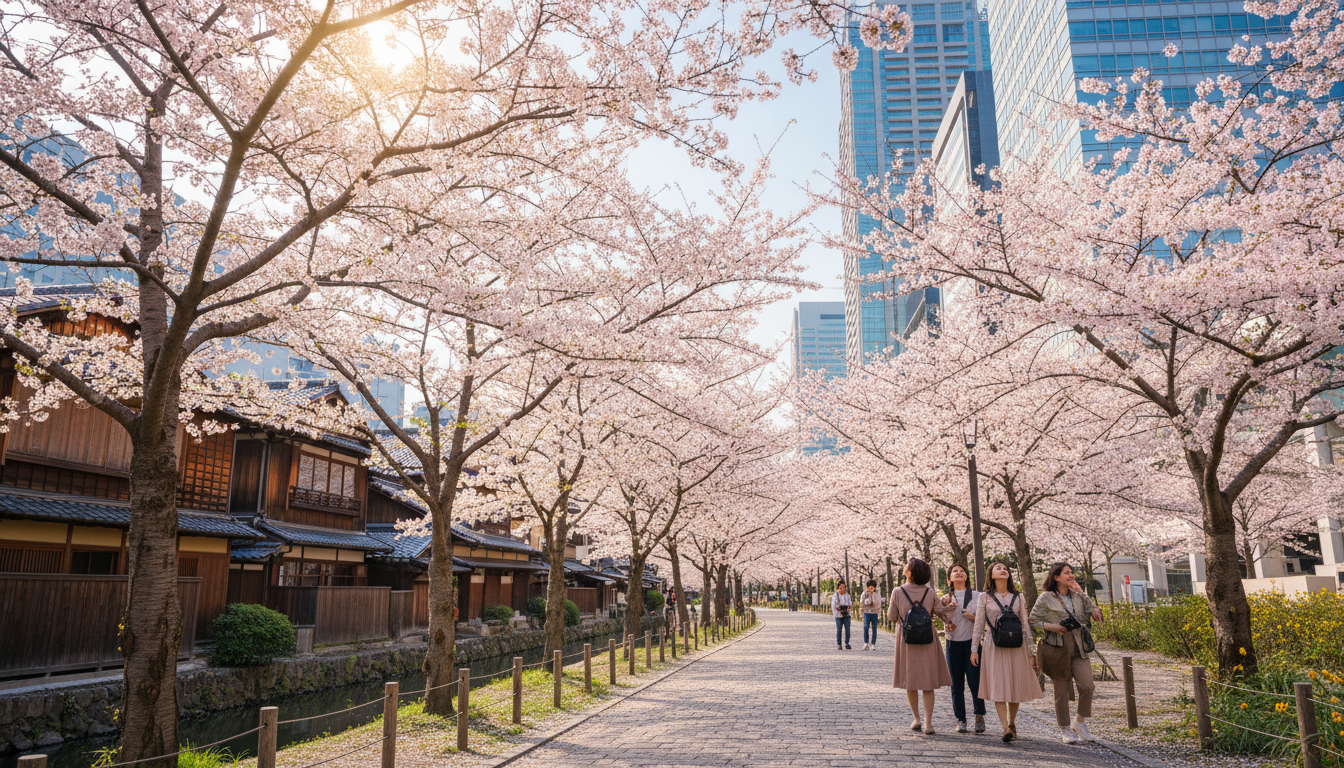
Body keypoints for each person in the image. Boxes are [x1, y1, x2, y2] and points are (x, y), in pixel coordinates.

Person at [1029, 562, 1104, 744]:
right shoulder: (1046, 597)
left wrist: (1085, 597)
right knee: (1061, 691)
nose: (1071, 575)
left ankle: (1080, 722)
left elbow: (1091, 610)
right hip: (1056, 647)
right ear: (1056, 577)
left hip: (1079, 645)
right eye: (1067, 573)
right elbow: (1032, 620)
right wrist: (1051, 626)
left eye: (1072, 572)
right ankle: (1065, 729)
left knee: (1087, 686)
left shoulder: (1078, 595)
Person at [970, 561, 1042, 742]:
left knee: (1014, 684)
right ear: (991, 575)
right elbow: (978, 624)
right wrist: (974, 649)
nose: (1003, 570)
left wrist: (1031, 652)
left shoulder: (1018, 597)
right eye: (998, 568)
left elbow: (1025, 625)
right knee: (999, 684)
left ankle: (1012, 722)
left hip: (1017, 646)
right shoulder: (984, 597)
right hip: (993, 645)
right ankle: (1004, 728)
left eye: (1005, 569)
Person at [887, 558, 956, 734]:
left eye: (907, 566)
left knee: (910, 681)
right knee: (927, 682)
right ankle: (928, 723)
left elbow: (891, 617)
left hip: (907, 639)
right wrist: (950, 608)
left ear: (910, 571)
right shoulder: (930, 592)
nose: (904, 567)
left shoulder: (898, 591)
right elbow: (941, 614)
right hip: (927, 639)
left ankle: (916, 719)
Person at [940, 564, 986, 733]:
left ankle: (979, 715)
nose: (959, 573)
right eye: (955, 571)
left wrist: (973, 617)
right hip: (952, 643)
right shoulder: (945, 598)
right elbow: (941, 619)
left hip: (972, 644)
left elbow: (986, 620)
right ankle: (961, 719)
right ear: (950, 578)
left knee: (975, 681)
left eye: (962, 571)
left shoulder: (978, 596)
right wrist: (946, 618)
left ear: (967, 576)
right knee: (956, 684)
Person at [859, 579, 884, 651]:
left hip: (874, 613)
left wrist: (872, 596)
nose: (870, 589)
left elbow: (878, 603)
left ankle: (873, 644)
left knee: (874, 628)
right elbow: (861, 602)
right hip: (866, 612)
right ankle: (866, 642)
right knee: (866, 627)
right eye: (869, 588)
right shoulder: (864, 593)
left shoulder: (877, 594)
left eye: (872, 588)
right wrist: (867, 598)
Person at [831, 580, 853, 650]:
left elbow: (850, 604)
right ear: (838, 588)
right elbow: (833, 606)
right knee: (839, 630)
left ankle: (847, 643)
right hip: (838, 615)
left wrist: (848, 608)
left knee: (847, 629)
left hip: (846, 615)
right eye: (841, 587)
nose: (842, 589)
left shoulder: (847, 595)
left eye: (843, 587)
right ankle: (839, 644)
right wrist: (839, 610)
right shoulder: (835, 596)